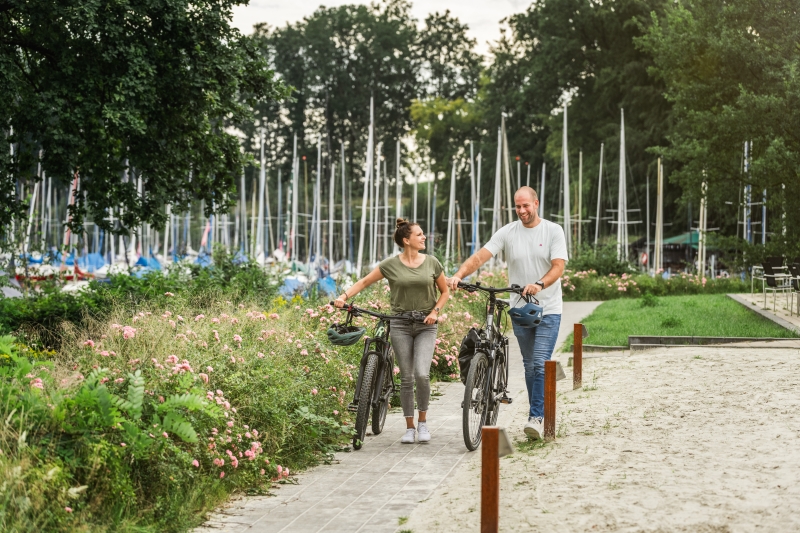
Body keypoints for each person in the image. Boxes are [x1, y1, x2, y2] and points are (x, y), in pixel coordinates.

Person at [448, 186, 567, 440]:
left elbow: (558, 267)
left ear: (536, 203)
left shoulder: (553, 231)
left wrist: (540, 284)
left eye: (526, 205)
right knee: (528, 365)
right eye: (517, 206)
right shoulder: (508, 232)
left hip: (548, 309)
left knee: (539, 362)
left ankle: (536, 417)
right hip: (520, 309)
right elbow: (481, 256)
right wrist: (459, 275)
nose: (522, 211)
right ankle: (536, 413)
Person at [334, 219, 449, 444]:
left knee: (422, 375)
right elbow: (365, 281)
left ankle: (423, 422)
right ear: (407, 240)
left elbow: (444, 292)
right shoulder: (390, 265)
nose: (424, 237)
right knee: (406, 377)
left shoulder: (432, 263)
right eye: (419, 234)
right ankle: (409, 427)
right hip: (399, 324)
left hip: (426, 325)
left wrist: (435, 311)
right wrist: (343, 297)